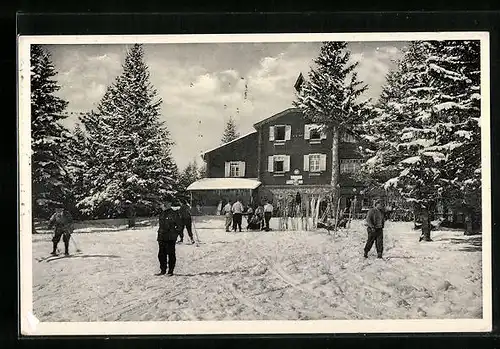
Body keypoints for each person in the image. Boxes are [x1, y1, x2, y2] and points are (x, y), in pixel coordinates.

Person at [156, 197, 182, 276]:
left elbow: (179, 226)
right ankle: (163, 270)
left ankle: (170, 270)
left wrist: (175, 234)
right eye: (164, 203)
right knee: (161, 254)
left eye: (166, 203)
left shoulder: (174, 213)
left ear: (170, 204)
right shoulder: (162, 213)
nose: (164, 204)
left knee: (171, 254)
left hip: (170, 237)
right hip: (161, 236)